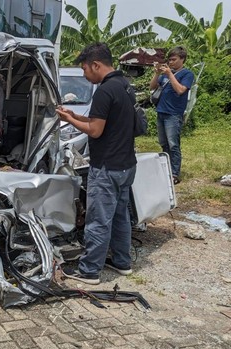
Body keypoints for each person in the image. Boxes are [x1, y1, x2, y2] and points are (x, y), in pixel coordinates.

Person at [55, 43, 137, 285]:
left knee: (98, 220)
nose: (83, 74)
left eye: (84, 69)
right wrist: (72, 116)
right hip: (126, 165)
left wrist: (71, 121)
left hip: (107, 167)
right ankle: (123, 262)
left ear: (96, 65)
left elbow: (95, 130)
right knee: (121, 215)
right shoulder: (124, 86)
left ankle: (90, 271)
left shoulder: (103, 91)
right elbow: (101, 120)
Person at [150, 46, 194, 184]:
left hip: (173, 114)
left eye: (174, 59)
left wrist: (170, 75)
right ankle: (166, 169)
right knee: (164, 143)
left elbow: (181, 90)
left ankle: (175, 173)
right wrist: (157, 73)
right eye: (169, 60)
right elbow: (152, 87)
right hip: (161, 112)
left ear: (182, 59)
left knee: (173, 144)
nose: (171, 62)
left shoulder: (187, 74)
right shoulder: (166, 73)